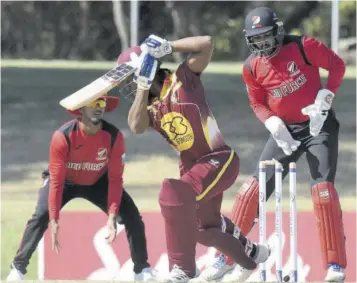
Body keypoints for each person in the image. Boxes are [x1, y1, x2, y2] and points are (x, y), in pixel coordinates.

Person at [200, 6, 347, 283]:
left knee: (323, 191)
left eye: (267, 37)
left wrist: (325, 97)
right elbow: (257, 102)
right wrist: (272, 124)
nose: (263, 45)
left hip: (319, 124)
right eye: (257, 40)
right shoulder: (251, 67)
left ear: (278, 32)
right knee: (250, 190)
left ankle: (335, 266)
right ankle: (224, 257)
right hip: (285, 131)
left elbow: (337, 65)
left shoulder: (304, 46)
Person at [116, 35, 271, 283]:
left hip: (218, 159)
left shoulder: (183, 79)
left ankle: (183, 269)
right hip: (193, 169)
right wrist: (143, 88)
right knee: (204, 230)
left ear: (146, 70)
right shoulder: (148, 105)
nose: (128, 85)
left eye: (129, 79)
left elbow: (207, 43)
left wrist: (168, 47)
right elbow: (135, 126)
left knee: (170, 193)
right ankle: (251, 257)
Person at [6, 96, 154, 281]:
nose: (98, 108)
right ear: (81, 109)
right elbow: (57, 181)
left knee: (132, 217)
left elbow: (116, 179)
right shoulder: (63, 136)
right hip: (65, 181)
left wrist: (111, 216)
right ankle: (17, 270)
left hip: (99, 181)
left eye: (101, 104)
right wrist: (54, 220)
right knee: (42, 215)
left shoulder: (114, 136)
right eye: (93, 104)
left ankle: (142, 270)